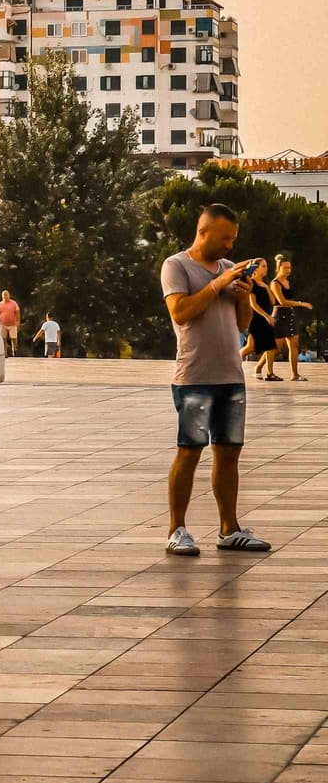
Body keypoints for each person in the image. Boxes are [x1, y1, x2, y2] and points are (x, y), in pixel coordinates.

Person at [162, 204, 269, 556]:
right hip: (194, 376)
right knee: (190, 451)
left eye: (233, 239)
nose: (229, 246)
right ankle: (177, 529)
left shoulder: (228, 268)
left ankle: (229, 529)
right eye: (225, 238)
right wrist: (217, 284)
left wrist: (244, 296)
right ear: (203, 232)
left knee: (229, 453)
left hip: (230, 376)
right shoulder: (176, 266)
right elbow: (181, 312)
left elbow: (242, 324)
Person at [273, 256, 313, 382]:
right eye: (285, 268)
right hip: (280, 315)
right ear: (278, 268)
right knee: (277, 348)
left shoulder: (288, 282)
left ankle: (295, 375)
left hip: (290, 314)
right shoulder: (275, 283)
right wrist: (301, 304)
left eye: (289, 267)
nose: (288, 270)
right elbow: (282, 301)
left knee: (294, 345)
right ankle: (259, 367)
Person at [0, 290, 21, 357]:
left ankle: (14, 350)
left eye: (6, 294)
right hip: (3, 324)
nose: (5, 296)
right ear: (2, 296)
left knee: (14, 338)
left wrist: (18, 321)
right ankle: (5, 353)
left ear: (9, 295)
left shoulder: (14, 303)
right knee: (3, 339)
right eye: (4, 295)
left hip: (13, 324)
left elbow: (17, 312)